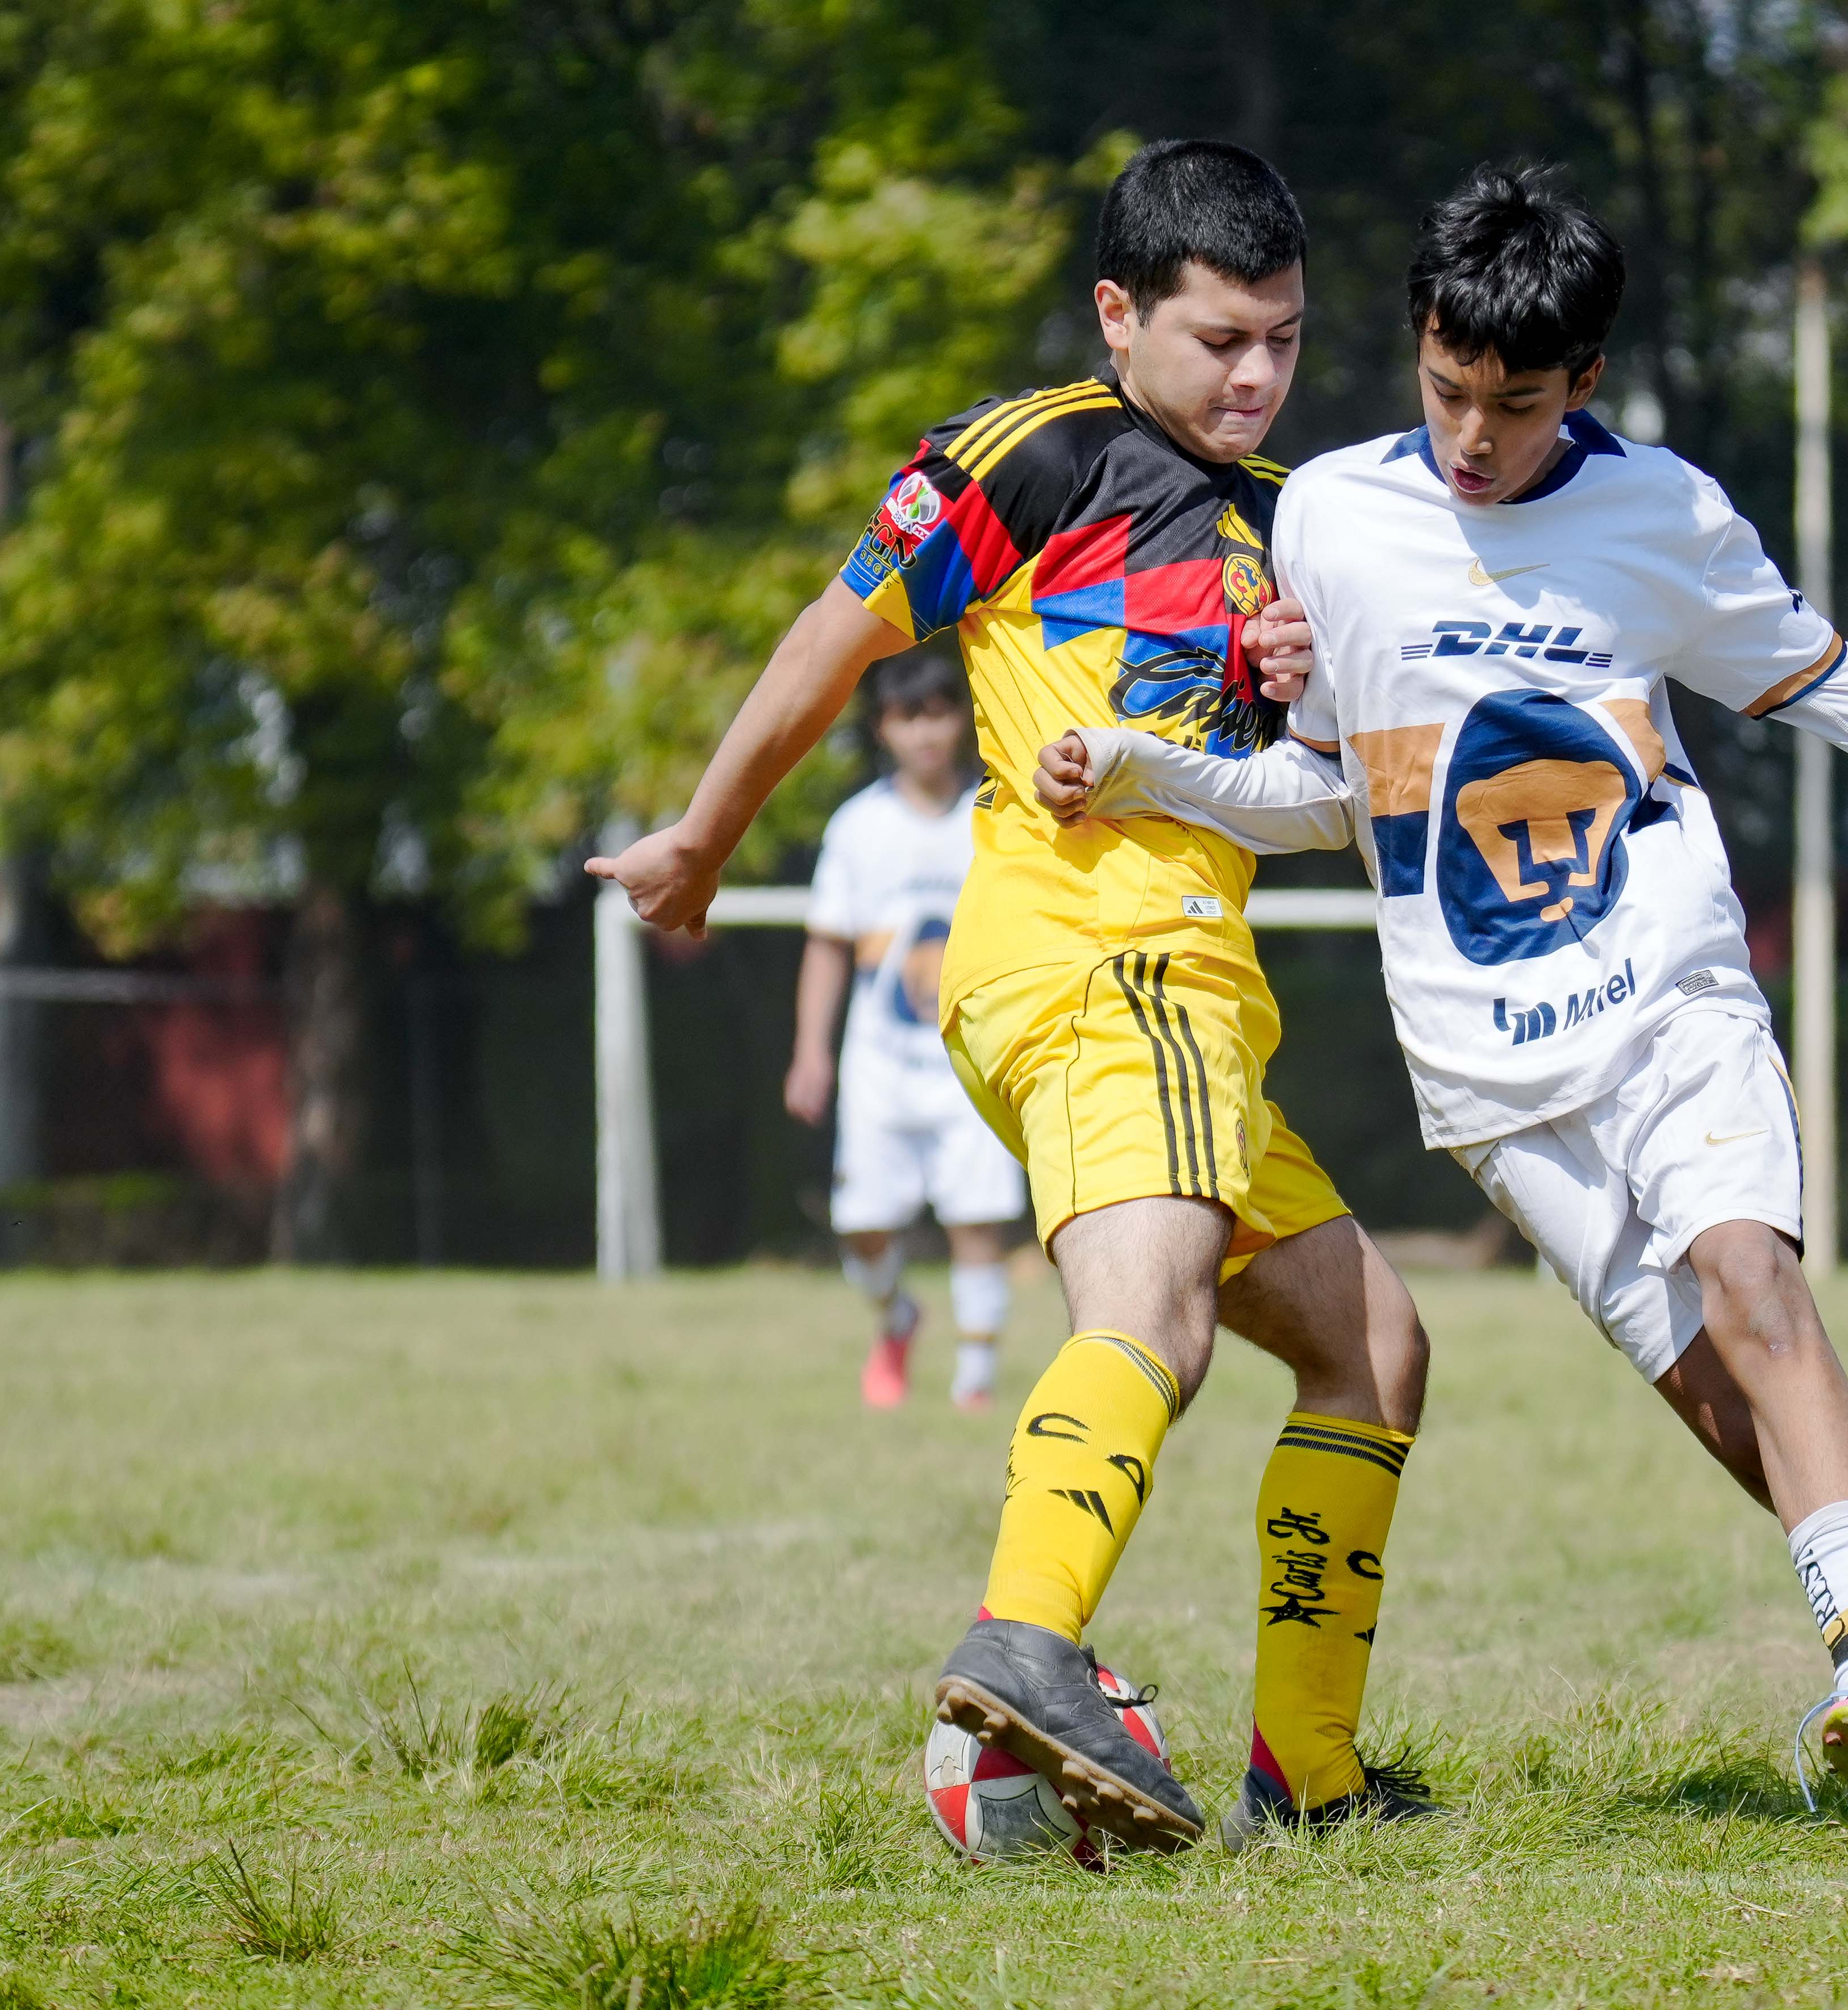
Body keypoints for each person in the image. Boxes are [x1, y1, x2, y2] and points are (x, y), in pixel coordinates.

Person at [1033, 164, 1848, 1825]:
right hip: (1488, 1073)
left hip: (1667, 997)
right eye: (1447, 389)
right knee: (1729, 1412)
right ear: (1420, 345)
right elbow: (1337, 801)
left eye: (1515, 406)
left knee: (1754, 1287)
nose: (1470, 436)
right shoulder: (1327, 516)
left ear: (1583, 381)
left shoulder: (1662, 519)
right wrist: (1156, 769)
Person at [587, 140, 1433, 1854]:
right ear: (1118, 315)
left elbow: (1327, 784)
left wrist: (1312, 691)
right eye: (1217, 339)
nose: (1256, 375)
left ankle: (1311, 1771)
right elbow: (833, 639)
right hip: (1104, 961)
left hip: (1177, 992)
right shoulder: (1032, 452)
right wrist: (702, 834)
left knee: (1374, 1348)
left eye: (1281, 337)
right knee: (1156, 1324)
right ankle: (1026, 1641)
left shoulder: (1301, 527)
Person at [786, 652, 1025, 1413]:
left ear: (964, 719)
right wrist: (810, 1052)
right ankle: (897, 1316)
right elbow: (827, 943)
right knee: (862, 1226)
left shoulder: (997, 815)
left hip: (971, 1058)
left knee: (978, 1215)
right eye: (908, 717)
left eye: (939, 713)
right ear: (885, 728)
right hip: (881, 1065)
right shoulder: (858, 827)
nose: (926, 733)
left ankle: (975, 1381)